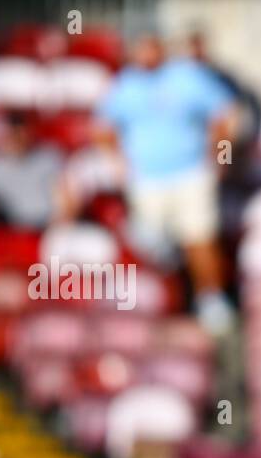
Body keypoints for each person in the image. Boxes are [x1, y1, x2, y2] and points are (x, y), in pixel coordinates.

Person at [94, 32, 237, 333]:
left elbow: (224, 114)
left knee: (199, 237)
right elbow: (103, 128)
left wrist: (221, 157)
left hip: (191, 174)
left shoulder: (187, 77)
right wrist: (117, 162)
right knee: (149, 244)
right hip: (146, 180)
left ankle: (210, 300)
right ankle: (162, 302)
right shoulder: (125, 84)